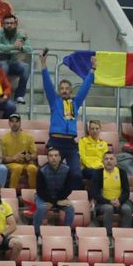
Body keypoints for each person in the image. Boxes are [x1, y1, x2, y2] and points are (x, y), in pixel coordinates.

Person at [40, 48, 94, 177]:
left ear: (71, 91)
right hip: (56, 141)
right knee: (52, 173)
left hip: (70, 143)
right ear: (59, 91)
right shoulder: (54, 101)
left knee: (76, 174)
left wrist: (92, 70)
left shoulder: (75, 103)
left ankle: (72, 196)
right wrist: (43, 65)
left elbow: (85, 88)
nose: (64, 91)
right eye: (62, 89)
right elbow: (48, 85)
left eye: (67, 89)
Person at [0, 14, 30, 105]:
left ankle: (19, 96)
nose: (9, 25)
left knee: (26, 67)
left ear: (15, 24)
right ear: (3, 24)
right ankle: (2, 93)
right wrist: (13, 46)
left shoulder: (20, 34)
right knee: (4, 66)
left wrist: (21, 48)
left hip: (14, 62)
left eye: (11, 23)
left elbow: (29, 48)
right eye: (7, 23)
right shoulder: (0, 33)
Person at [89, 152, 133, 235]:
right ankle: (108, 235)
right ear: (103, 161)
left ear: (115, 162)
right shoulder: (98, 173)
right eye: (106, 159)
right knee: (109, 208)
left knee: (127, 209)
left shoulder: (122, 172)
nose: (109, 161)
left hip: (120, 201)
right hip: (103, 203)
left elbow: (126, 192)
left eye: (111, 159)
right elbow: (94, 193)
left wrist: (119, 200)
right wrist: (109, 201)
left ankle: (125, 235)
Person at [35, 148, 76, 234]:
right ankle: (37, 233)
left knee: (70, 208)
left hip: (60, 197)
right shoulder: (42, 170)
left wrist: (55, 201)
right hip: (44, 197)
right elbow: (40, 190)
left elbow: (68, 188)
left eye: (56, 155)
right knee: (41, 208)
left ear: (60, 157)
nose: (53, 158)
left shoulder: (67, 169)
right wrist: (54, 202)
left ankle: (66, 232)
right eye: (51, 156)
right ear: (48, 158)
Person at [0, 113, 37, 190]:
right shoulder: (3, 139)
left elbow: (34, 154)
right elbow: (3, 159)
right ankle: (12, 191)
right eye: (12, 121)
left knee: (33, 168)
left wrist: (29, 157)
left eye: (17, 121)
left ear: (20, 123)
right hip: (11, 164)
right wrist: (14, 157)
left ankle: (33, 192)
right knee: (17, 167)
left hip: (26, 163)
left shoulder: (29, 137)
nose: (14, 124)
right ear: (9, 123)